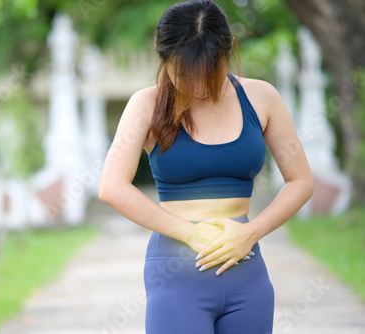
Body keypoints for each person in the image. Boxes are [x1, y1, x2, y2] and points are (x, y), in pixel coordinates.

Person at [98, 0, 314, 333]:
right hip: (176, 276)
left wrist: (250, 232)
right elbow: (111, 186)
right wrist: (191, 233)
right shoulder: (146, 105)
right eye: (185, 74)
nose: (199, 87)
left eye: (209, 74)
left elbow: (301, 180)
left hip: (247, 274)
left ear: (228, 54)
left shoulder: (261, 98)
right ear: (164, 59)